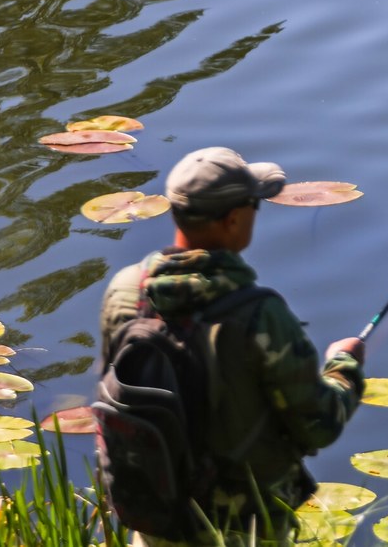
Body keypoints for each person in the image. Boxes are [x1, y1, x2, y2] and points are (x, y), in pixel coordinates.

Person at [99, 146, 365, 547]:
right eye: (255, 205)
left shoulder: (126, 290)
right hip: (243, 527)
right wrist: (343, 366)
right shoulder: (258, 314)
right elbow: (319, 425)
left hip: (158, 517)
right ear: (234, 219)